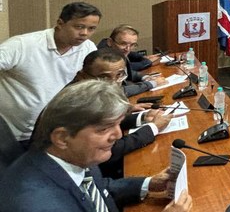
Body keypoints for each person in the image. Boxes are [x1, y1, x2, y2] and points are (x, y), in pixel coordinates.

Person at [0, 80, 192, 212]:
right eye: (104, 129)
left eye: (118, 124)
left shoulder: (71, 156)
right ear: (62, 138)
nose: (118, 134)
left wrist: (147, 184)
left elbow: (95, 191)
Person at [0, 1, 101, 144]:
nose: (85, 33)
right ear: (60, 23)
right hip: (10, 134)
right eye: (79, 26)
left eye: (91, 28)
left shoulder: (88, 48)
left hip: (52, 131)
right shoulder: (21, 45)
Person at [73, 48, 173, 177]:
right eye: (104, 77)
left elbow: (106, 124)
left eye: (119, 75)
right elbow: (110, 148)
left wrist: (142, 117)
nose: (114, 84)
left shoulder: (91, 91)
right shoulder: (78, 103)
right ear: (82, 76)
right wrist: (153, 128)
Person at [100, 25, 166, 97]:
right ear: (110, 42)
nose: (128, 49)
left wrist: (145, 77)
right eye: (123, 44)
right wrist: (151, 84)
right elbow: (116, 91)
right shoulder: (103, 61)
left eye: (132, 45)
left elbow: (128, 73)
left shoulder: (118, 54)